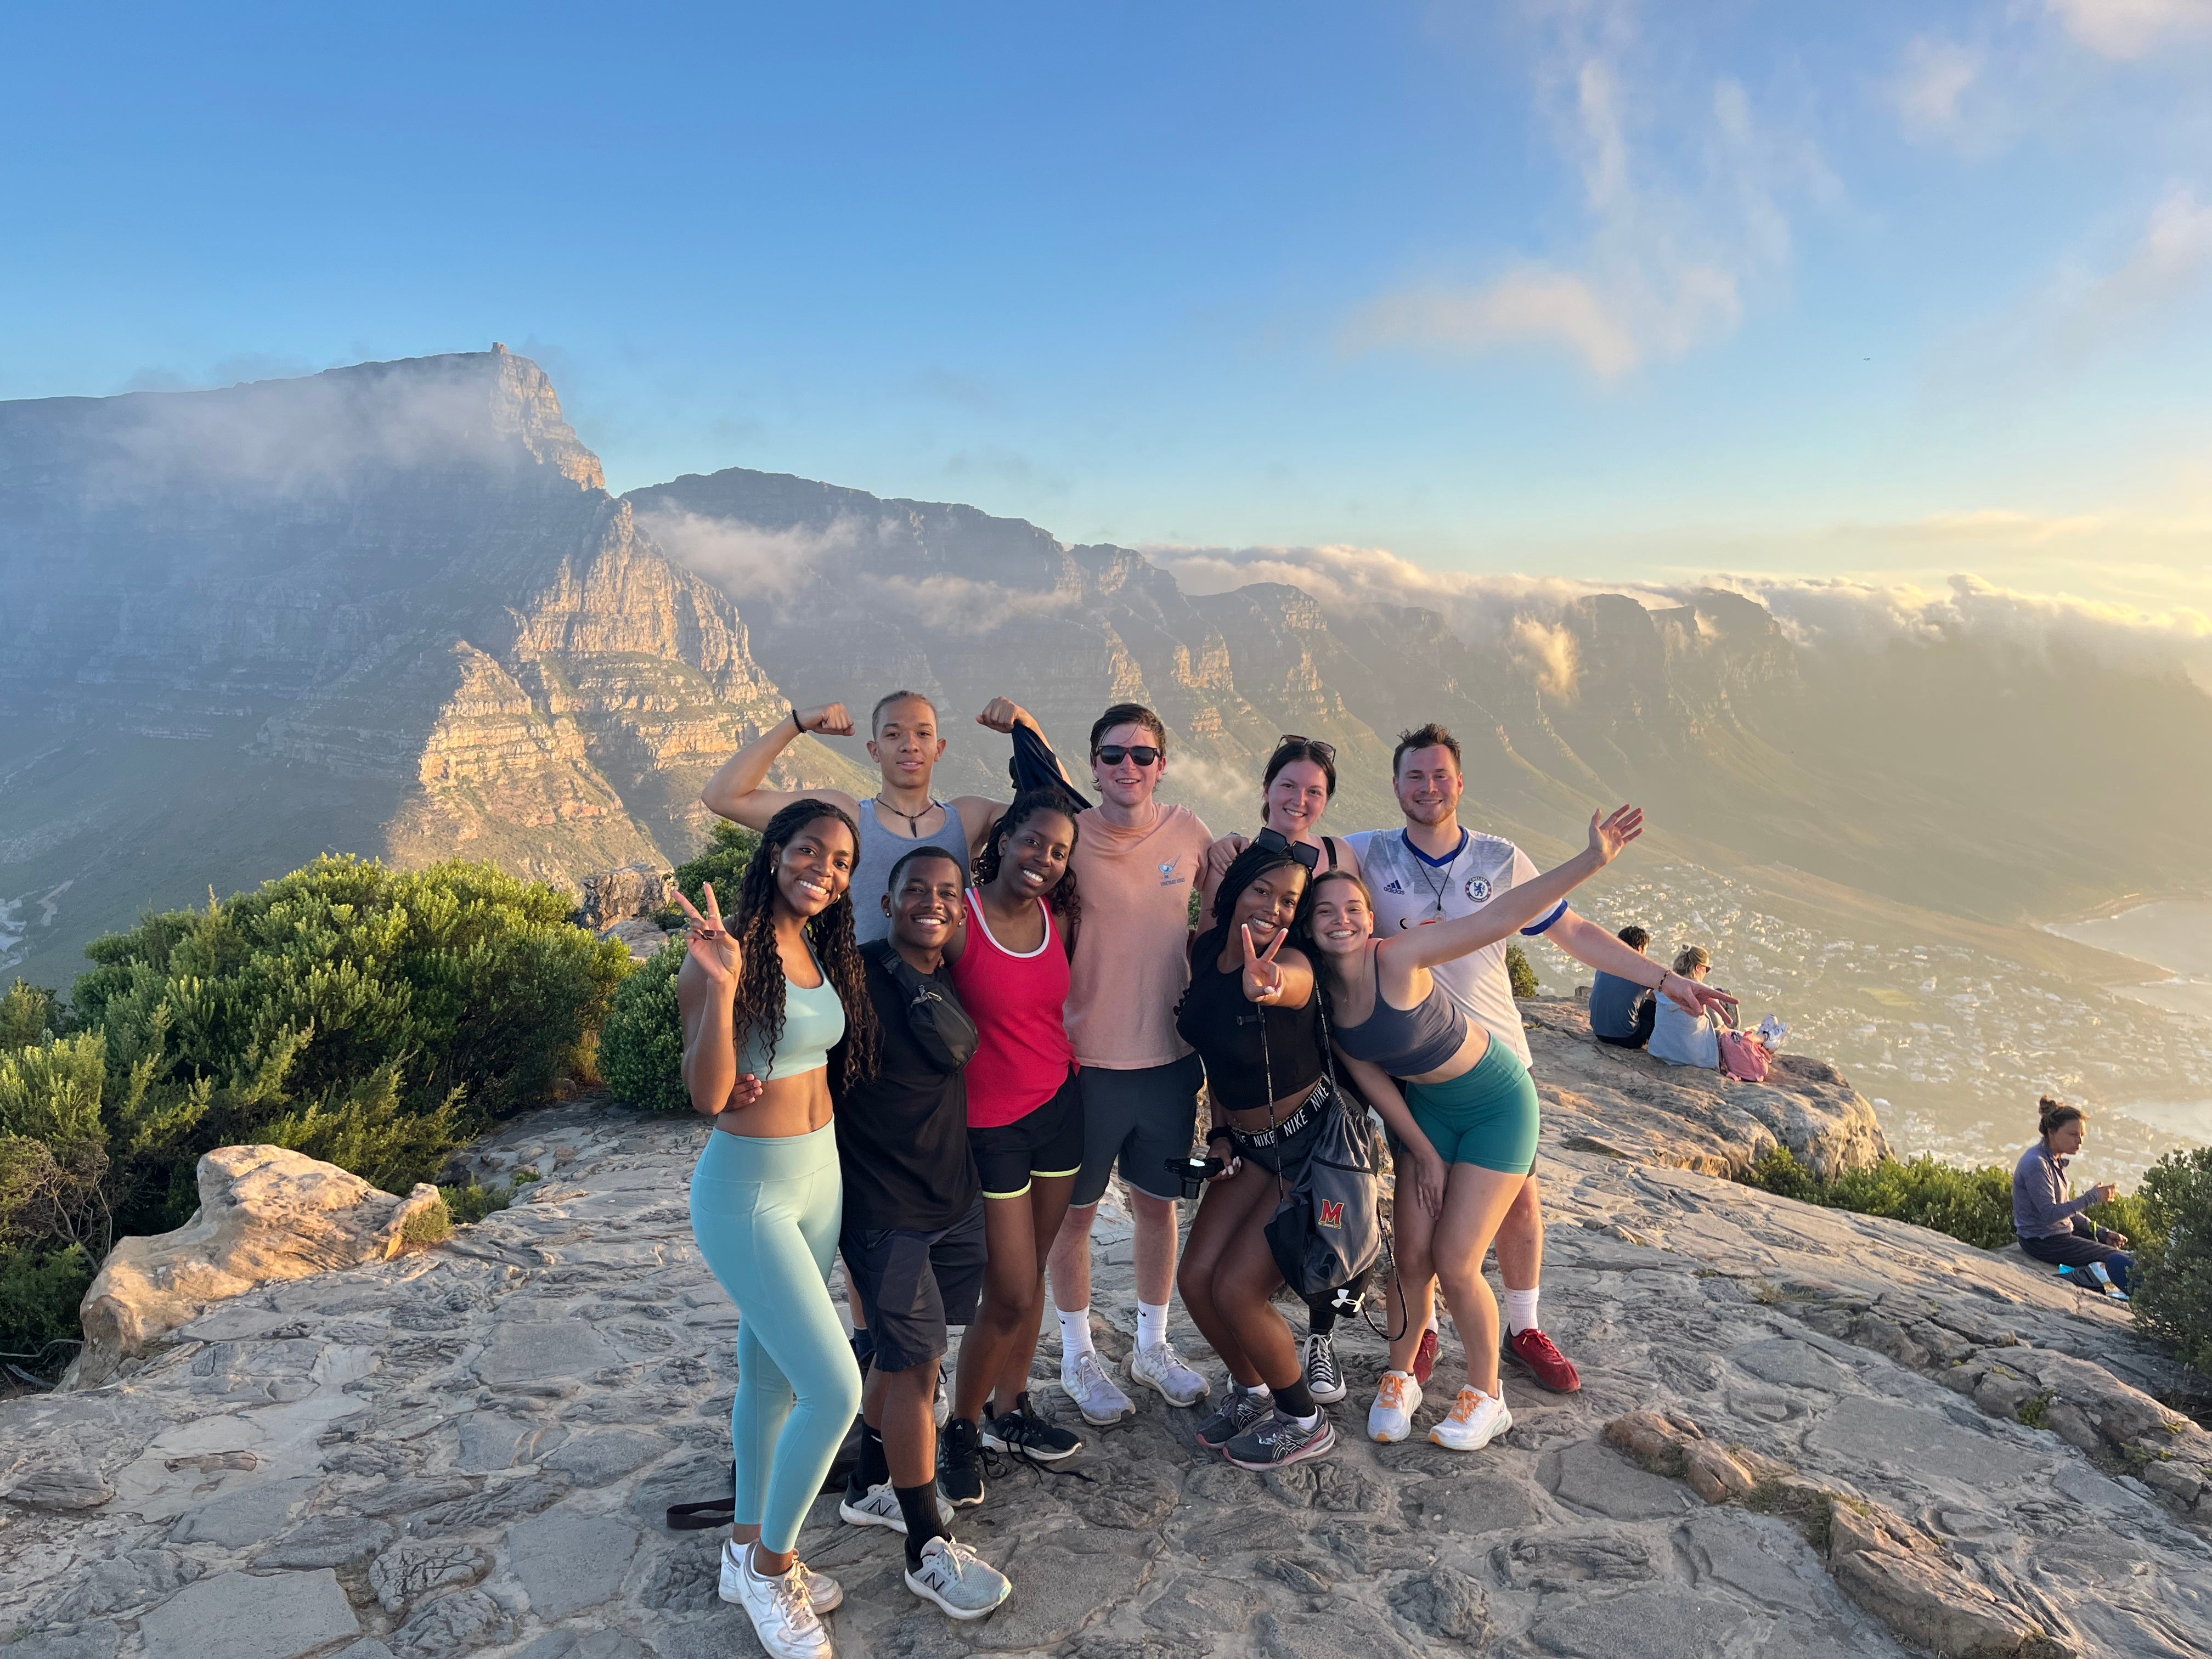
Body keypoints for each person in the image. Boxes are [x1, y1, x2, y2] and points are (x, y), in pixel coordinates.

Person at [1344, 724, 1736, 1396]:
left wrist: (1665, 982)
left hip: (1498, 1056)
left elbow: (1574, 931)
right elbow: (1297, 860)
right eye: (1415, 776)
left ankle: (1522, 1325)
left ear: (1461, 784)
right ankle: (1426, 1325)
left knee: (1520, 1200)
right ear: (1395, 786)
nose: (1429, 788)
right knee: (1422, 1199)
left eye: (1441, 776)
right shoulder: (1365, 855)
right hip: (1418, 1064)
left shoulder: (1500, 859)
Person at [1304, 806, 1644, 1451]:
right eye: (1326, 913)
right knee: (1410, 1258)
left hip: (1496, 1104)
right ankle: (1400, 1376)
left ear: (1371, 915)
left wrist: (1592, 860)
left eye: (1353, 908)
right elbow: (1374, 1081)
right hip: (1426, 1112)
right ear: (1312, 927)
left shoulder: (1401, 957)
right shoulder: (1327, 996)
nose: (1342, 920)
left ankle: (1488, 1396)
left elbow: (1496, 918)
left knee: (1458, 1261)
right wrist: (1425, 1154)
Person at [674, 799, 872, 1659]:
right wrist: (720, 987)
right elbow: (707, 1093)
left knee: (771, 1385)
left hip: (817, 1179)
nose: (823, 870)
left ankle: (740, 1549)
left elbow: (811, 1054)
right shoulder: (727, 950)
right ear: (776, 852)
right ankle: (770, 1569)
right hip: (749, 1193)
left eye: (840, 862)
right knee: (835, 1391)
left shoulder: (816, 946)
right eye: (809, 851)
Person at [831, 844, 1012, 1621]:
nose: (931, 903)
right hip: (886, 1212)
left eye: (947, 892)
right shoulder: (855, 976)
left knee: (908, 1359)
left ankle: (870, 1482)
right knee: (916, 1371)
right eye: (916, 891)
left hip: (951, 1197)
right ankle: (924, 1547)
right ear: (887, 900)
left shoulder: (946, 974)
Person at [1046, 704, 1217, 1424]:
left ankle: (1152, 1344)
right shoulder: (1069, 837)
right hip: (1084, 1061)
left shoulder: (1192, 834)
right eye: (1113, 756)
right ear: (1092, 766)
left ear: (1163, 764)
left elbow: (1226, 916)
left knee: (1157, 1206)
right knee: (1074, 1217)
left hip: (1170, 1059)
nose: (1128, 768)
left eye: (1142, 756)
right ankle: (1078, 1353)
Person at [1194, 736, 1368, 1407]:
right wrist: (1218, 1132)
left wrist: (1272, 984)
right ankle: (1256, 1389)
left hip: (1306, 1140)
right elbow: (1212, 1046)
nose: (1274, 905)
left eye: (1314, 792)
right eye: (1261, 891)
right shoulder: (1209, 938)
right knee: (1198, 1280)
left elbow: (1299, 979)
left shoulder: (1334, 869)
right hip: (1249, 1144)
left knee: (1239, 1288)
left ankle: (1300, 1417)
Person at [939, 792, 1090, 1499]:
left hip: (1060, 1109)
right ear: (1002, 839)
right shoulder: (958, 918)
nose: (1043, 860)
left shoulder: (1055, 918)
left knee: (1029, 1283)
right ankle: (960, 1429)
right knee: (1008, 1289)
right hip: (990, 1126)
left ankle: (1012, 1410)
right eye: (1032, 843)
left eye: (1059, 852)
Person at [698, 690, 1059, 945]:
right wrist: (797, 723)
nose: (909, 744)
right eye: (893, 734)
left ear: (939, 749)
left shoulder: (968, 816)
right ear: (874, 750)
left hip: (950, 999)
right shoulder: (845, 817)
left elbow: (1061, 815)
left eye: (923, 733)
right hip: (866, 992)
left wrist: (1028, 728)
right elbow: (725, 797)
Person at [2015, 1097, 2133, 1295]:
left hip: (2058, 1234)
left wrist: (2102, 1233)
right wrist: (2092, 1197)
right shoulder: (2037, 1164)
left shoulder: (2053, 1160)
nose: (2079, 1141)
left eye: (2082, 1135)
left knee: (2119, 1252)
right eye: (2073, 1134)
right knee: (2115, 1258)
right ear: (2052, 1132)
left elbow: (2065, 1208)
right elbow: (2051, 1214)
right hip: (2042, 1241)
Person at [1648, 947, 1722, 1068]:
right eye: (1707, 969)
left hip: (1660, 1052)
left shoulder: (1662, 986)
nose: (1707, 973)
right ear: (1698, 967)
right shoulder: (1704, 990)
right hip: (1694, 1060)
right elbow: (1718, 1023)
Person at [1588, 926, 1657, 1049]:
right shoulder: (1641, 969)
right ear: (1640, 949)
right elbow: (1661, 986)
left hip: (1599, 1032)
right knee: (1656, 996)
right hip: (1629, 1039)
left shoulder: (1604, 963)